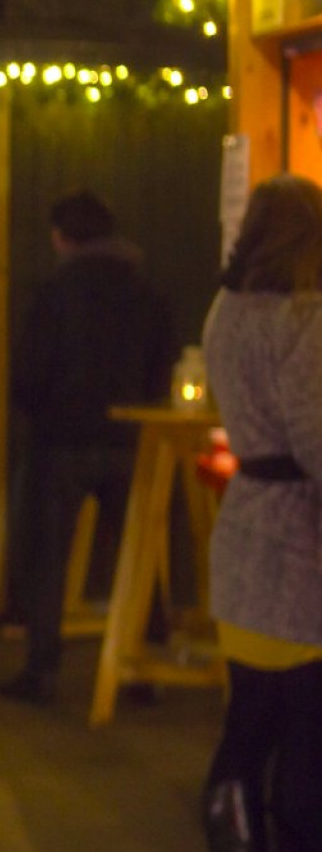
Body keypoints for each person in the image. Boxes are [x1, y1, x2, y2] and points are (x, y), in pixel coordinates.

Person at [0, 190, 176, 706]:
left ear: (62, 237)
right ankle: (142, 666)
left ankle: (41, 668)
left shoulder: (56, 291)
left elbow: (30, 371)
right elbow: (161, 362)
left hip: (63, 439)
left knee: (49, 556)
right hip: (128, 436)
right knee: (135, 555)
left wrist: (37, 415)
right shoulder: (144, 287)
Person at [199, 174, 322, 851]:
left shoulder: (224, 310)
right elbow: (315, 440)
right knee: (305, 736)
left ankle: (229, 823)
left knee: (250, 719)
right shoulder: (304, 320)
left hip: (244, 532)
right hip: (299, 550)